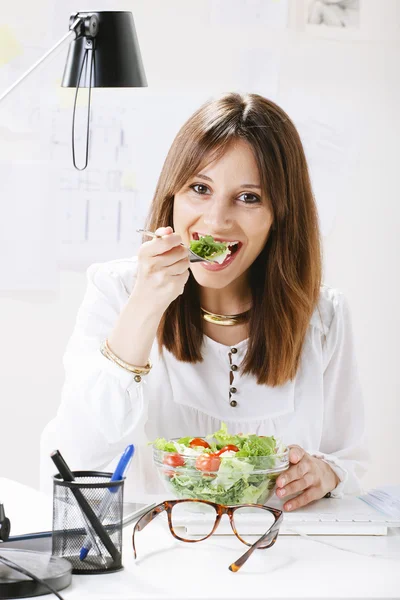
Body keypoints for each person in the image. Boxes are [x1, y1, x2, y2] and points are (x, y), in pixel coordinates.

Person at [40, 92, 368, 510]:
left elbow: (350, 463)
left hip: (279, 558)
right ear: (172, 196)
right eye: (200, 188)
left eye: (248, 197)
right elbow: (78, 459)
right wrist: (145, 306)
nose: (215, 221)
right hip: (156, 553)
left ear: (280, 214)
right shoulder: (118, 290)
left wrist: (327, 473)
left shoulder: (323, 316)